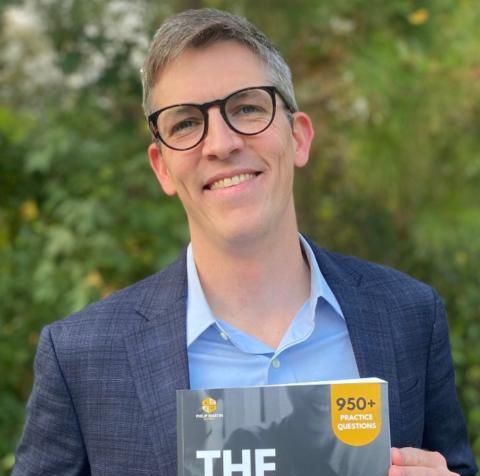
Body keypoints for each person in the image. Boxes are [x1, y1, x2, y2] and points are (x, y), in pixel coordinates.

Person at [13, 8, 477, 476]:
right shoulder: (82, 357)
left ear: (298, 137)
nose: (221, 143)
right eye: (185, 123)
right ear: (162, 168)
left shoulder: (409, 317)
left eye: (247, 108)